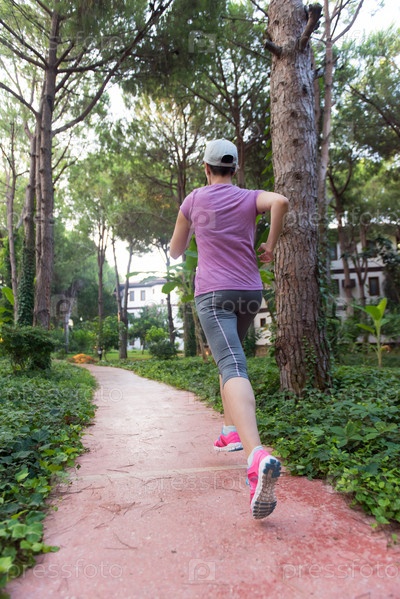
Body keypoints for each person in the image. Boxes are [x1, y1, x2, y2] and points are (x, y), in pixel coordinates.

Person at [170, 139, 289, 520]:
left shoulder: (193, 200)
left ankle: (256, 457)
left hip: (214, 294)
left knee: (232, 362)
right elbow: (280, 201)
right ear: (235, 169)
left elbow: (176, 250)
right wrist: (269, 245)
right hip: (249, 292)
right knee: (230, 357)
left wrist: (190, 232)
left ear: (206, 169)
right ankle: (229, 432)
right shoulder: (249, 197)